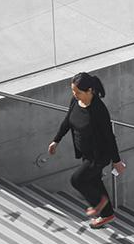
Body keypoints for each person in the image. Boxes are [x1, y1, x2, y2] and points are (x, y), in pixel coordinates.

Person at [48, 72, 125, 228]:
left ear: (89, 90)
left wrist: (116, 161)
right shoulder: (76, 101)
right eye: (73, 91)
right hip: (86, 153)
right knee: (94, 181)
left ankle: (99, 203)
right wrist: (56, 140)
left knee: (77, 180)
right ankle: (107, 215)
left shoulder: (99, 110)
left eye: (78, 92)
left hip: (98, 155)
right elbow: (67, 121)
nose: (75, 94)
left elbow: (110, 137)